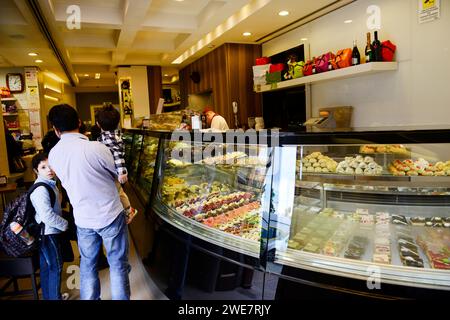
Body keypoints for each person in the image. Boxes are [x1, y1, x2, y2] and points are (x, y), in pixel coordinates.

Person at [48, 104, 131, 300]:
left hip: (83, 219)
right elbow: (117, 177)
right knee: (118, 265)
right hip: (110, 214)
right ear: (79, 122)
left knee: (87, 265)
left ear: (55, 129)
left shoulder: (53, 155)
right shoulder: (97, 148)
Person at [29, 152, 69, 300]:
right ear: (36, 171)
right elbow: (47, 216)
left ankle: (50, 296)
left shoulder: (49, 183)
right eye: (43, 167)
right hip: (48, 233)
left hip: (45, 232)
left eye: (50, 165)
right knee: (56, 267)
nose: (49, 170)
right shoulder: (41, 189)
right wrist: (65, 225)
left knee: (46, 266)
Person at [95, 104, 137, 224]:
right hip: (112, 170)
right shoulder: (113, 135)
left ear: (98, 124)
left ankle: (129, 211)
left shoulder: (110, 138)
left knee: (119, 192)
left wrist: (122, 172)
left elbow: (117, 155)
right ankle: (127, 210)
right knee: (119, 192)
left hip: (114, 171)